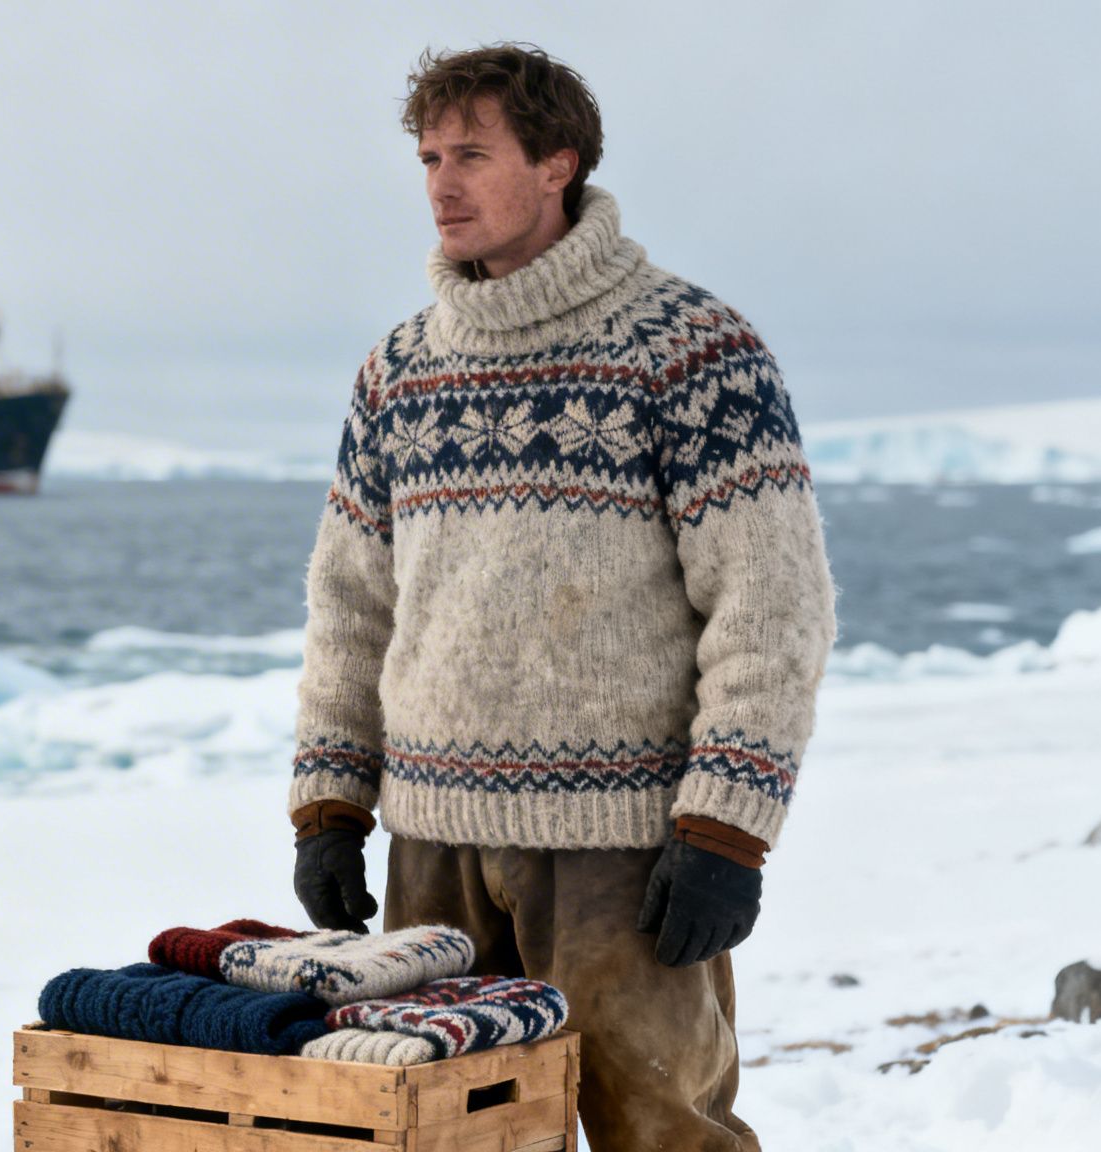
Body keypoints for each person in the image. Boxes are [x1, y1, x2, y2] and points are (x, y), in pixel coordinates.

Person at [288, 43, 836, 1152]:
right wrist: (330, 805)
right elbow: (350, 605)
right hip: (430, 851)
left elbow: (771, 606)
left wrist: (727, 826)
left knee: (662, 1133)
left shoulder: (689, 349)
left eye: (472, 156)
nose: (440, 184)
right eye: (428, 157)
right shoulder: (397, 371)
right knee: (443, 1139)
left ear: (556, 165)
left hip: (621, 853)